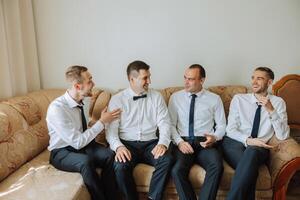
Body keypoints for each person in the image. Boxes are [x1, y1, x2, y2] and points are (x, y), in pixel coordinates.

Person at [46, 65, 121, 200]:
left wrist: (102, 122)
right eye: (89, 81)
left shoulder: (81, 102)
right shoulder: (57, 109)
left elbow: (82, 138)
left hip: (82, 146)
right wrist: (101, 122)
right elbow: (78, 142)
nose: (93, 84)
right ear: (77, 86)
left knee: (110, 155)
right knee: (85, 162)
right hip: (62, 151)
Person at [106, 60, 173, 200]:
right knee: (120, 166)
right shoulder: (117, 99)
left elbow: (165, 123)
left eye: (149, 76)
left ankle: (153, 198)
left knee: (166, 160)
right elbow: (111, 130)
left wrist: (163, 143)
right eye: (145, 78)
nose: (149, 81)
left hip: (151, 143)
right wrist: (118, 147)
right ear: (132, 79)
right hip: (127, 144)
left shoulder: (157, 97)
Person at [222, 67, 290, 200]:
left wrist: (271, 111)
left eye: (259, 78)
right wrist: (248, 140)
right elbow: (230, 130)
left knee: (251, 155)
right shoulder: (239, 99)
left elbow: (283, 136)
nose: (254, 82)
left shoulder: (278, 103)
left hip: (258, 148)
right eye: (253, 78)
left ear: (269, 82)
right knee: (249, 170)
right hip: (234, 142)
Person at [169, 64, 226, 200]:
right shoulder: (175, 98)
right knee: (177, 171)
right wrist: (180, 142)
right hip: (183, 142)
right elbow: (170, 125)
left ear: (202, 80)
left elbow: (222, 125)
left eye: (191, 79)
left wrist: (215, 137)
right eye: (185, 78)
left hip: (205, 142)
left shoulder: (214, 99)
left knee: (217, 166)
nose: (186, 82)